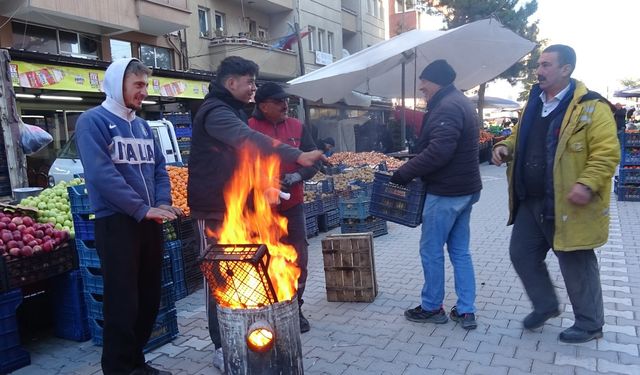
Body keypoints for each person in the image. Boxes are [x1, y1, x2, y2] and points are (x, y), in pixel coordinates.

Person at [187, 56, 325, 371]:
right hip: (214, 211)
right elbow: (250, 140)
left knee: (241, 274)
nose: (253, 88)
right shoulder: (215, 112)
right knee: (218, 277)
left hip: (239, 208)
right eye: (249, 82)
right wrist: (298, 155)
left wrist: (265, 185)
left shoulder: (233, 110)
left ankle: (247, 333)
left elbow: (242, 162)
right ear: (231, 83)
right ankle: (222, 345)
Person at [491, 44, 620, 343]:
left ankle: (590, 324)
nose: (539, 70)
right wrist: (505, 147)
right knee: (521, 253)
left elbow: (606, 153)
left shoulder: (591, 107)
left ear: (566, 69)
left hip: (568, 202)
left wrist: (586, 184)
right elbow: (518, 136)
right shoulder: (534, 103)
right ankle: (546, 305)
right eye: (539, 64)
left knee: (576, 263)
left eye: (547, 65)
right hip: (531, 200)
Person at [75, 58, 181, 375]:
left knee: (149, 297)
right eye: (138, 85)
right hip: (117, 224)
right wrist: (141, 208)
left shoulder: (143, 126)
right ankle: (119, 369)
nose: (144, 92)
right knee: (123, 302)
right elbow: (101, 175)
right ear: (117, 84)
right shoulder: (91, 122)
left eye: (145, 85)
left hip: (150, 222)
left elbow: (160, 169)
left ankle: (137, 362)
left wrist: (161, 203)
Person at [389, 59, 482, 330]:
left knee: (431, 251)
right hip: (465, 190)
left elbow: (440, 151)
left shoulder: (447, 106)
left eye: (424, 82)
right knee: (460, 251)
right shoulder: (459, 101)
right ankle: (466, 310)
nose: (421, 88)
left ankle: (432, 307)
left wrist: (404, 172)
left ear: (437, 81)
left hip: (446, 192)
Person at [248, 82, 319, 333]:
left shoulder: (297, 127)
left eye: (285, 100)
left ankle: (294, 307)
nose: (285, 105)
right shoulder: (248, 128)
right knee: (265, 258)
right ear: (263, 105)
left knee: (298, 258)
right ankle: (267, 307)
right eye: (278, 101)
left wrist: (296, 177)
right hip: (261, 209)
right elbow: (240, 168)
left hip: (293, 206)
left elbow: (313, 161)